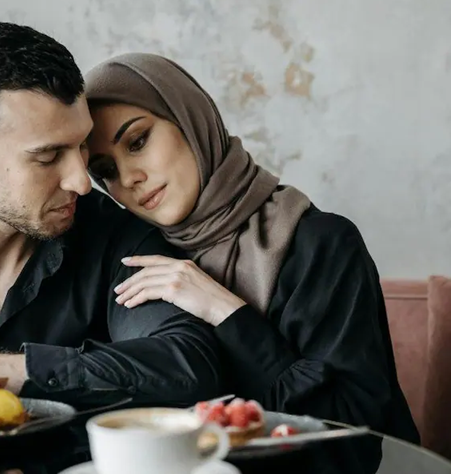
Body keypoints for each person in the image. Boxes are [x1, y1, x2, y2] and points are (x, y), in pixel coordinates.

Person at [0, 24, 223, 412]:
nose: (82, 182)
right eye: (48, 156)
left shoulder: (117, 238)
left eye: (82, 146)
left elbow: (185, 366)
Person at [85, 53, 420, 443]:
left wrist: (224, 311)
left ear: (190, 120)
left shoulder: (319, 243)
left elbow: (347, 422)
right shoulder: (134, 264)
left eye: (138, 141)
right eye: (106, 171)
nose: (129, 177)